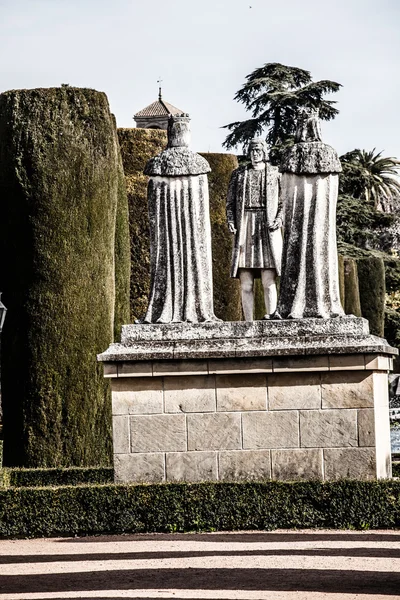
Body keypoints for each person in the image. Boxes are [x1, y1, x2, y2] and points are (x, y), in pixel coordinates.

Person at [141, 114, 219, 323]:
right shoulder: (198, 164)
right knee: (194, 256)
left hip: (166, 235)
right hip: (192, 235)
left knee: (166, 258)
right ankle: (194, 308)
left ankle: (167, 308)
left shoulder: (157, 164)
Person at [226, 138, 283, 321]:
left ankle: (272, 317)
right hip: (245, 227)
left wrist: (279, 219)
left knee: (268, 282)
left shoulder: (275, 173)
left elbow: (284, 202)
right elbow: (230, 203)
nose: (255, 153)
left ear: (264, 152)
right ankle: (248, 322)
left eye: (258, 150)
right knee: (246, 284)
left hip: (267, 229)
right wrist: (231, 220)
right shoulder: (239, 174)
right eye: (252, 150)